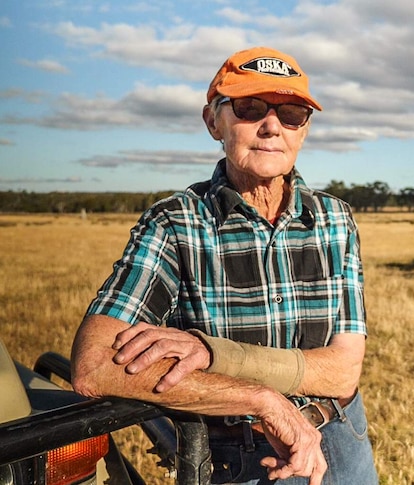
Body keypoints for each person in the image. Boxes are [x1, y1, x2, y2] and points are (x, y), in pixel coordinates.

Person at [70, 46, 378, 485]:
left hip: (341, 436)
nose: (272, 126)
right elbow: (94, 364)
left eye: (292, 113)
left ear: (304, 131)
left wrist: (213, 354)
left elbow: (344, 369)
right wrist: (262, 400)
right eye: (249, 108)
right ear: (213, 121)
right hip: (238, 455)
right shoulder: (176, 222)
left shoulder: (334, 219)